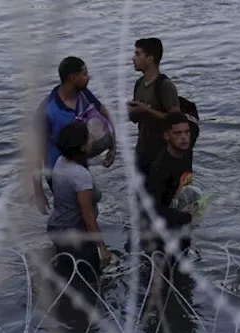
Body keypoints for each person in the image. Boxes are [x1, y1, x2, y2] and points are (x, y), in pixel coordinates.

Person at [33, 57, 117, 213]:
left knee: (92, 205)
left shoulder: (83, 94)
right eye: (84, 74)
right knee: (77, 214)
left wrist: (113, 147)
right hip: (58, 173)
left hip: (80, 165)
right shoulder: (48, 111)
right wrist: (39, 192)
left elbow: (105, 113)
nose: (88, 77)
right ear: (73, 77)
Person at [46, 121, 110, 312]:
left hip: (57, 227)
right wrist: (102, 248)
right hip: (75, 234)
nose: (91, 140)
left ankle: (66, 312)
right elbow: (88, 216)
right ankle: (86, 316)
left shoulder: (59, 162)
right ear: (82, 146)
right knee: (88, 279)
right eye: (88, 138)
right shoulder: (80, 175)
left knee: (67, 275)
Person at [143, 112, 195, 256]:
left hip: (180, 227)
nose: (184, 137)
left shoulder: (186, 155)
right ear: (167, 136)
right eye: (177, 133)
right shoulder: (160, 168)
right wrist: (186, 217)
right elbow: (153, 209)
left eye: (187, 132)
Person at [128, 38, 180, 177]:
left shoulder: (165, 85)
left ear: (150, 58)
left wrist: (147, 110)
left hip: (162, 153)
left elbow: (176, 120)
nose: (133, 58)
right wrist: (133, 112)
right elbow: (135, 119)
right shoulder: (139, 84)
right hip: (142, 151)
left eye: (138, 54)